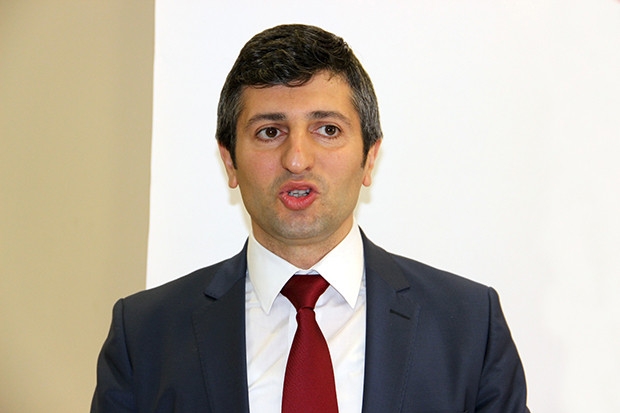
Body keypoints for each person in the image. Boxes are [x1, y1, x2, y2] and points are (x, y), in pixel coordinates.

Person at [91, 24, 529, 413]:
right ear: (229, 162)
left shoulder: (469, 326)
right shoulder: (145, 335)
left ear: (370, 157)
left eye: (327, 130)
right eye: (270, 132)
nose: (297, 159)